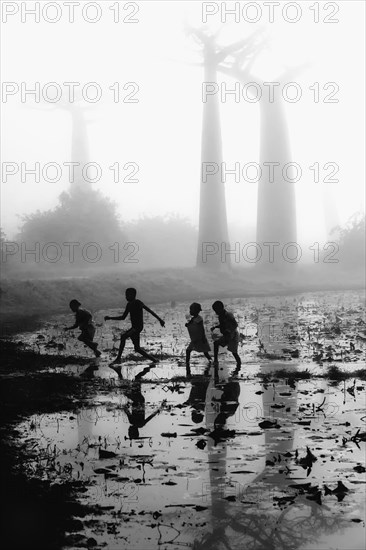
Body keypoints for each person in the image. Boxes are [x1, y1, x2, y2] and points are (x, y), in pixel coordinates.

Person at [104, 287, 165, 367]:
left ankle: (118, 359)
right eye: (126, 295)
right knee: (137, 348)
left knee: (123, 337)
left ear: (133, 295)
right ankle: (154, 360)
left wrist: (160, 320)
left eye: (128, 295)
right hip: (135, 328)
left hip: (137, 327)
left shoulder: (138, 302)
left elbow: (149, 311)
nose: (126, 297)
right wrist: (110, 318)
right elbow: (123, 317)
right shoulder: (129, 305)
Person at [211, 301, 241, 368]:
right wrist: (216, 327)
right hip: (227, 336)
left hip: (232, 336)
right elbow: (223, 325)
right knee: (216, 343)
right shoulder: (220, 316)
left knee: (234, 353)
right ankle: (216, 361)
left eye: (216, 311)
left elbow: (235, 325)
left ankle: (239, 365)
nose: (216, 312)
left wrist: (229, 330)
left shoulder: (228, 315)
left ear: (221, 308)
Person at [185, 302, 211, 375]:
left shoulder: (199, 319)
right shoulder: (193, 319)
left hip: (200, 339)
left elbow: (201, 329)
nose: (190, 311)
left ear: (196, 311)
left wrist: (203, 337)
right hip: (195, 339)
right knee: (188, 350)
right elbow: (191, 325)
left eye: (191, 310)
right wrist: (187, 325)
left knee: (205, 352)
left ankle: (211, 361)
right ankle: (187, 363)